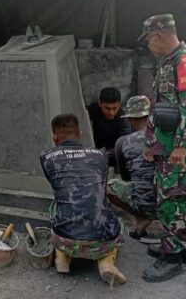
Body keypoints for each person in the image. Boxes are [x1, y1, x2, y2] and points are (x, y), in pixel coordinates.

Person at [138, 14, 186, 282]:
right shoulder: (168, 61)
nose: (149, 47)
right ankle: (180, 247)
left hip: (177, 148)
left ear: (159, 36)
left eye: (148, 41)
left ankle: (173, 258)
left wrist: (181, 146)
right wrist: (152, 145)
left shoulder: (185, 61)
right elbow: (163, 107)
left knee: (170, 200)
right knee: (172, 196)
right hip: (165, 146)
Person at [40, 114, 127, 286]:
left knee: (57, 203)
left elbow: (57, 185)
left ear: (54, 137)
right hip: (102, 238)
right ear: (80, 133)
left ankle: (62, 258)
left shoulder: (46, 156)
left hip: (65, 237)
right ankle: (106, 262)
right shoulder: (100, 156)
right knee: (117, 220)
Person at [107, 95, 158, 244]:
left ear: (130, 119)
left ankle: (142, 216)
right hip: (169, 202)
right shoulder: (167, 137)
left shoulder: (124, 142)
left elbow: (126, 177)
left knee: (107, 187)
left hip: (145, 203)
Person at [87, 87, 132, 168]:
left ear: (119, 105)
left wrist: (103, 154)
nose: (111, 112)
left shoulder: (123, 120)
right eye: (107, 108)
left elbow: (124, 145)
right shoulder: (93, 109)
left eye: (115, 108)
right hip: (96, 148)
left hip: (115, 155)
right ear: (100, 104)